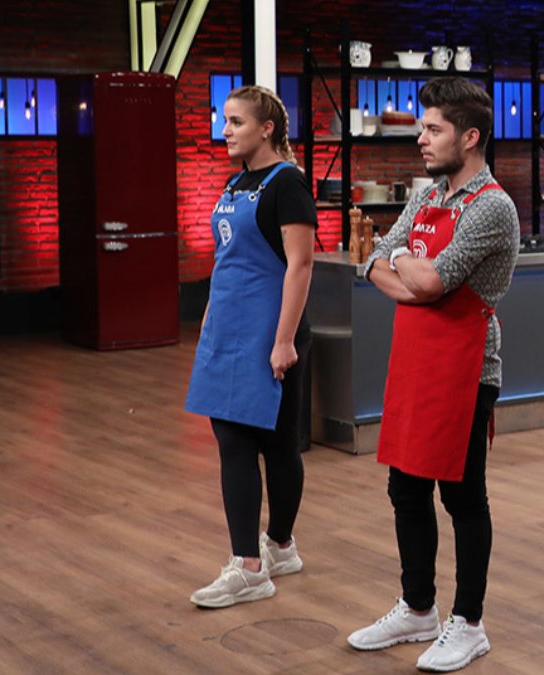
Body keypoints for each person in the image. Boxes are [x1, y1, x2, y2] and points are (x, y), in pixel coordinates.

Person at [347, 77, 520, 672]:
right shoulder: (426, 198)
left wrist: (398, 261)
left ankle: (469, 623)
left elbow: (426, 279)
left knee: (463, 498)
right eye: (422, 127)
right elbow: (379, 264)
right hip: (417, 360)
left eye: (433, 129)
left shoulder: (492, 206)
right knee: (405, 489)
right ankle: (418, 608)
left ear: (469, 137)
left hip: (468, 368)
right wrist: (399, 266)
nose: (421, 138)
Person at [184, 85, 317, 609]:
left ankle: (250, 567)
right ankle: (278, 548)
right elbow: (228, 260)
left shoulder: (288, 183)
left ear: (267, 129)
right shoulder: (236, 183)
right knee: (243, 440)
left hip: (268, 334)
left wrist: (283, 340)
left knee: (259, 444)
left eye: (236, 122)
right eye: (225, 120)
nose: (226, 130)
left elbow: (300, 265)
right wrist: (209, 321)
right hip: (228, 329)